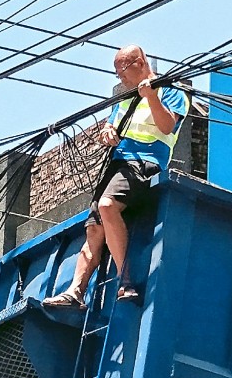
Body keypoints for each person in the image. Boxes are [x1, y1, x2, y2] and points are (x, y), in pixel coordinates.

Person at [42, 44, 191, 310]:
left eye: (121, 69)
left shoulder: (171, 90)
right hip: (118, 164)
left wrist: (152, 96)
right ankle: (76, 291)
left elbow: (168, 126)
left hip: (145, 163)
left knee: (107, 206)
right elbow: (112, 125)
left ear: (139, 62)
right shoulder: (125, 99)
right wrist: (108, 133)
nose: (119, 77)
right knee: (94, 228)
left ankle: (126, 280)